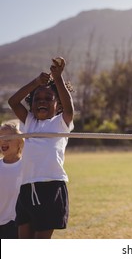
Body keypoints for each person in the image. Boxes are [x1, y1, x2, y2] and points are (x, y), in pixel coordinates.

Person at [8, 57, 74, 239]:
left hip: (50, 187)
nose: (41, 101)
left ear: (58, 104)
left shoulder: (60, 123)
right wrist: (36, 82)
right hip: (26, 187)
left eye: (48, 98)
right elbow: (13, 102)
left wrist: (57, 77)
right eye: (37, 99)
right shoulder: (30, 121)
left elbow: (69, 110)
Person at [0, 123, 24, 239]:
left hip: (18, 224)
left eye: (8, 139)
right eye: (1, 138)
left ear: (19, 142)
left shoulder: (26, 166)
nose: (4, 142)